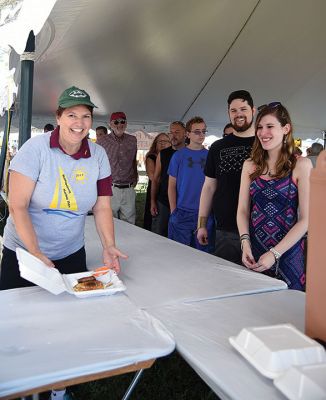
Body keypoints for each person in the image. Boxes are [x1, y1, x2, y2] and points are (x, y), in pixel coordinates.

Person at [0, 86, 127, 400]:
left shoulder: (97, 155)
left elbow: (101, 206)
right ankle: (23, 386)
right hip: (23, 253)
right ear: (58, 117)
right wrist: (36, 252)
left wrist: (109, 245)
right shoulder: (35, 149)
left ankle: (58, 388)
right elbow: (17, 205)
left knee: (67, 325)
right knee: (19, 324)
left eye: (85, 116)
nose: (79, 122)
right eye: (71, 114)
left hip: (70, 252)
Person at [237, 102, 312, 291]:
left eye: (270, 126)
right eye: (260, 127)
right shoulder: (250, 165)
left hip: (288, 254)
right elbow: (243, 210)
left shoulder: (301, 165)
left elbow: (305, 220)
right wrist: (245, 244)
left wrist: (275, 253)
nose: (263, 133)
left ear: (286, 129)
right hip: (255, 252)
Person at [197, 90, 256, 264]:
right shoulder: (217, 147)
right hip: (226, 227)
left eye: (243, 109)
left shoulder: (265, 143)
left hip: (261, 227)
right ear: (228, 113)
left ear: (253, 110)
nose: (239, 114)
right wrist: (201, 224)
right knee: (229, 281)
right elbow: (208, 187)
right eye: (234, 110)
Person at [168, 117, 214, 252]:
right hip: (182, 212)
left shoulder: (210, 155)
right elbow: (171, 186)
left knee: (203, 255)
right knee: (179, 254)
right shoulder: (178, 156)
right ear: (188, 134)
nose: (201, 135)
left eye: (204, 131)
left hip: (204, 214)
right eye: (197, 132)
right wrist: (173, 211)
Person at [97, 111, 138, 224]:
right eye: (116, 122)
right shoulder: (102, 141)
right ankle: (111, 242)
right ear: (110, 124)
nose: (119, 125)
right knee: (109, 221)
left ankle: (128, 242)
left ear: (126, 123)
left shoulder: (132, 140)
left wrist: (135, 177)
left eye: (122, 121)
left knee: (130, 222)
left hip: (128, 188)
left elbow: (133, 160)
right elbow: (96, 164)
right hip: (110, 188)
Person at [150, 121, 186, 236]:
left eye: (177, 132)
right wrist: (152, 201)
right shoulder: (163, 154)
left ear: (185, 133)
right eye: (171, 132)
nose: (173, 135)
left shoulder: (190, 153)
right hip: (163, 202)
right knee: (159, 236)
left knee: (181, 237)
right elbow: (155, 179)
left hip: (183, 203)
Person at [143, 133, 171, 230]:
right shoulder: (151, 157)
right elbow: (152, 176)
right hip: (156, 190)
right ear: (155, 144)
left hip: (168, 190)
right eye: (160, 141)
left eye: (166, 141)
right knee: (155, 218)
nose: (163, 144)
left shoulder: (172, 156)